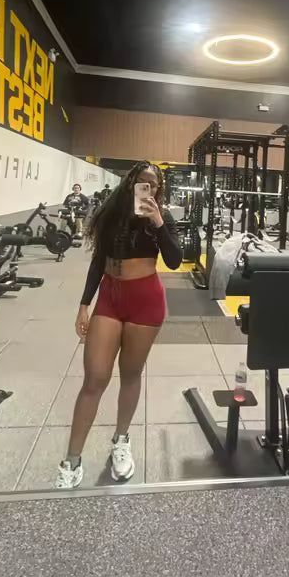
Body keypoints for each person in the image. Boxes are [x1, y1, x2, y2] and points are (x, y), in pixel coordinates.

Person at [56, 162, 182, 488]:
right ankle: (72, 459)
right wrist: (84, 305)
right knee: (95, 378)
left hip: (146, 302)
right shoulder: (110, 214)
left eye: (153, 184)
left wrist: (157, 222)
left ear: (159, 189)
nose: (147, 188)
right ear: (130, 182)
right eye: (141, 181)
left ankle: (121, 440)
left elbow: (174, 260)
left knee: (130, 374)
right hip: (110, 300)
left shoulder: (162, 218)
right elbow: (98, 261)